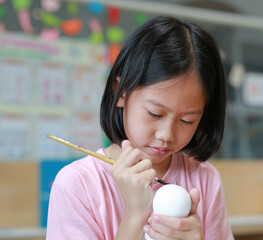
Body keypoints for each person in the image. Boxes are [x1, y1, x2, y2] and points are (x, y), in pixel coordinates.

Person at [46, 15, 233, 240]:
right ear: (121, 91)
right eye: (155, 113)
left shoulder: (204, 179)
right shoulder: (77, 185)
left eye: (187, 120)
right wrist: (135, 216)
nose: (166, 135)